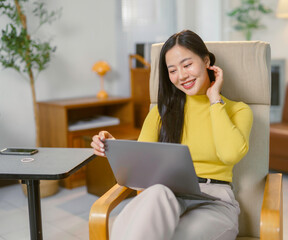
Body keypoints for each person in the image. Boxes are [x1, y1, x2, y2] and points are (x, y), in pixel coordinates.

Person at [91, 30, 253, 240]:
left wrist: (215, 101)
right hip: (165, 195)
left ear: (206, 61)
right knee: (156, 195)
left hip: (214, 200)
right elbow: (139, 171)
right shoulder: (161, 112)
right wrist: (112, 148)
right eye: (173, 70)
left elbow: (230, 154)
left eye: (187, 65)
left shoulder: (237, 110)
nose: (182, 76)